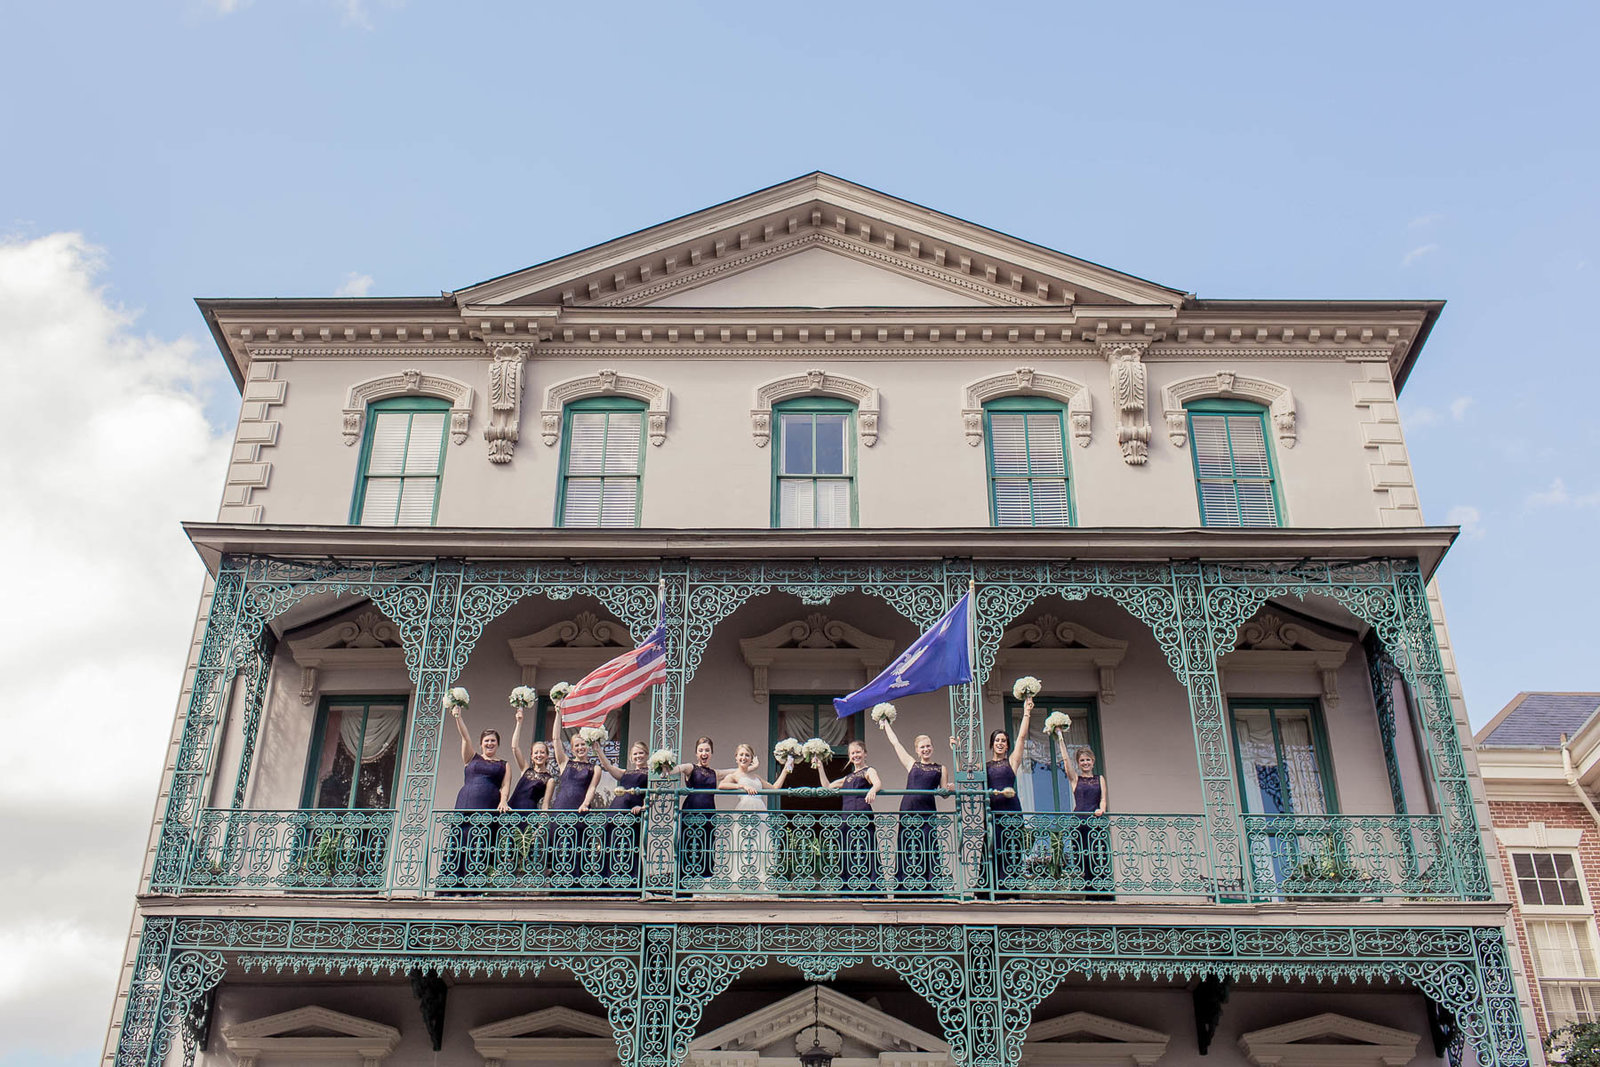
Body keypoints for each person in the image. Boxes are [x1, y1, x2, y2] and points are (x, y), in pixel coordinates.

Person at [879, 721, 949, 894]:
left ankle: (929, 886)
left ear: (932, 748)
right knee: (908, 845)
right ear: (917, 750)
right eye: (922, 747)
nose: (926, 749)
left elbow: (944, 793)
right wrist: (886, 724)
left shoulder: (941, 768)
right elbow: (896, 744)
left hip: (927, 811)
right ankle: (906, 885)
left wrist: (948, 789)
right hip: (908, 809)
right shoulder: (912, 764)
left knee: (927, 845)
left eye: (928, 746)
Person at [718, 743, 797, 890]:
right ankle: (743, 879)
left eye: (747, 755)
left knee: (760, 843)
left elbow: (774, 787)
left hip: (759, 809)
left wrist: (786, 769)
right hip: (745, 809)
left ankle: (761, 880)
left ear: (751, 758)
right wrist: (741, 786)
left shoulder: (756, 777)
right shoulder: (735, 775)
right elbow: (722, 785)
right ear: (736, 757)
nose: (744, 758)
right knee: (744, 843)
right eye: (741, 755)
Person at [445, 705, 509, 888]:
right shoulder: (471, 758)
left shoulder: (504, 764)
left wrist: (503, 801)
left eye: (493, 741)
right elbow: (465, 737)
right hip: (467, 802)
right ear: (481, 743)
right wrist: (458, 716)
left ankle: (473, 887)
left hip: (488, 805)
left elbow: (505, 786)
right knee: (460, 841)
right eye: (487, 741)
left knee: (479, 843)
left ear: (498, 744)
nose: (490, 744)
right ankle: (453, 887)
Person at [546, 708, 603, 887]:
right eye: (576, 745)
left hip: (580, 809)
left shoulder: (595, 768)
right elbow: (555, 739)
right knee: (559, 846)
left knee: (577, 846)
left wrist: (585, 804)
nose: (580, 748)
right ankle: (557, 886)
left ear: (588, 746)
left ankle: (576, 886)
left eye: (583, 744)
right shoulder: (565, 762)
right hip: (561, 806)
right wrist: (558, 712)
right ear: (572, 748)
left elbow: (592, 787)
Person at [1054, 733, 1111, 899]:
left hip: (1094, 821)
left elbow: (1103, 799)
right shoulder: (1075, 779)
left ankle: (1099, 890)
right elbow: (1065, 762)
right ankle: (1086, 889)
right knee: (1081, 855)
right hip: (1079, 822)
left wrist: (1101, 810)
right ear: (1078, 764)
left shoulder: (1099, 779)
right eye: (1082, 760)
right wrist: (1060, 738)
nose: (1085, 763)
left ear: (1093, 761)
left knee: (1096, 854)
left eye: (1088, 760)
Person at [985, 697, 1032, 895]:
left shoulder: (1011, 762)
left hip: (1011, 811)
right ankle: (994, 888)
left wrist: (1027, 712)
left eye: (1003, 741)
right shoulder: (985, 767)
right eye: (997, 740)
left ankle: (1012, 888)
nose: (1000, 743)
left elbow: (1021, 738)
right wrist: (956, 747)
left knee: (1012, 848)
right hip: (993, 812)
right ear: (992, 744)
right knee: (994, 848)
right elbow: (967, 774)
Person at [503, 709, 554, 883]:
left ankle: (527, 880)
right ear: (532, 756)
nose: (539, 755)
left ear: (547, 756)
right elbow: (514, 747)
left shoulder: (549, 779)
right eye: (536, 752)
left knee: (525, 847)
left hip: (529, 814)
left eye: (542, 752)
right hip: (513, 810)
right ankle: (505, 879)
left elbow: (546, 804)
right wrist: (519, 721)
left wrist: (542, 823)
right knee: (508, 846)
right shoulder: (526, 769)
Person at [825, 740, 883, 892]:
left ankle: (869, 888)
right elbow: (828, 786)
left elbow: (877, 783)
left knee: (864, 849)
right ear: (849, 756)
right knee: (848, 850)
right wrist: (819, 767)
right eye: (853, 753)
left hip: (861, 814)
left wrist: (872, 790)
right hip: (846, 816)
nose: (856, 755)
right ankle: (850, 887)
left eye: (858, 752)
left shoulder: (868, 771)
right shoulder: (848, 777)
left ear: (865, 753)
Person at [596, 740, 650, 891]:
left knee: (628, 846)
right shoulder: (626, 773)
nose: (638, 756)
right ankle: (607, 882)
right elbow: (607, 766)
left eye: (641, 753)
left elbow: (653, 794)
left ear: (646, 755)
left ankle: (630, 883)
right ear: (631, 757)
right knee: (610, 845)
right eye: (635, 754)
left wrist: (643, 806)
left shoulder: (650, 773)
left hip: (631, 814)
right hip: (615, 810)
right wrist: (598, 750)